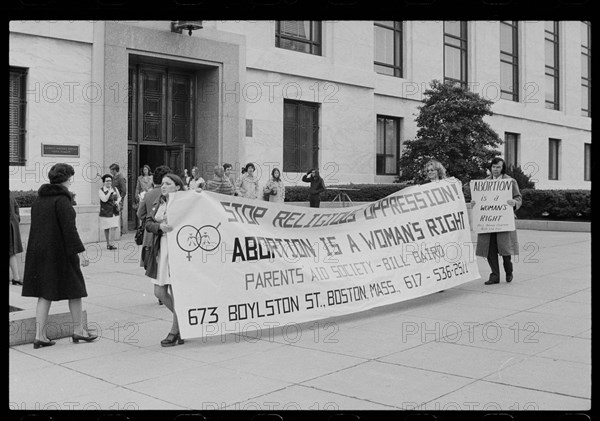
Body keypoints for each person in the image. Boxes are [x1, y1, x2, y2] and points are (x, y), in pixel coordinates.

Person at [21, 163, 98, 349]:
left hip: (40, 252)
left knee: (44, 293)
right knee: (76, 290)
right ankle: (79, 330)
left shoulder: (39, 200)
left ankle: (40, 336)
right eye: (70, 177)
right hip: (61, 253)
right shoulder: (63, 200)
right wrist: (81, 252)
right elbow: (69, 230)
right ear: (66, 179)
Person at [144, 173, 186, 346]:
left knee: (177, 292)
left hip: (179, 250)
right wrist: (159, 227)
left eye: (168, 184)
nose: (164, 186)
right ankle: (183, 322)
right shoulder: (158, 203)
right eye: (162, 184)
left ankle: (175, 330)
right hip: (161, 249)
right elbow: (148, 223)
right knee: (159, 291)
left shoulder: (186, 204)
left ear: (177, 187)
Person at [472, 157, 522, 285]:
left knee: (505, 249)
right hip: (488, 221)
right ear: (490, 168)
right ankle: (494, 275)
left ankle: (508, 270)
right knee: (490, 249)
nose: (495, 169)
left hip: (503, 220)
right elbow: (479, 199)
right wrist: (474, 203)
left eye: (498, 167)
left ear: (502, 168)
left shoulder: (510, 181)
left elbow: (518, 197)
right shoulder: (484, 182)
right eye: (493, 167)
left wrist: (514, 202)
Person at [137, 165, 171, 305]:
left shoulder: (148, 194)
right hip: (166, 235)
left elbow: (140, 214)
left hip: (151, 236)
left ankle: (160, 295)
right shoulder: (170, 194)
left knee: (154, 263)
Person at [98, 174, 121, 250]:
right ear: (104, 182)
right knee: (107, 227)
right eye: (107, 181)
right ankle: (108, 243)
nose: (109, 182)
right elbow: (104, 199)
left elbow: (119, 197)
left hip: (114, 211)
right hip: (106, 211)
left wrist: (117, 201)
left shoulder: (115, 188)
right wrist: (109, 192)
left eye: (110, 181)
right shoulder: (101, 190)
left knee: (114, 226)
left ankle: (112, 243)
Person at [10, 189, 24, 286]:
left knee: (11, 252)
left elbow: (15, 207)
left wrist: (16, 217)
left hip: (11, 224)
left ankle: (16, 278)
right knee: (11, 252)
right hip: (12, 224)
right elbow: (16, 207)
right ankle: (16, 278)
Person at [109, 163, 127, 235]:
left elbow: (124, 191)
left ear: (115, 170)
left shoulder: (120, 178)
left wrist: (120, 200)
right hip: (113, 199)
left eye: (111, 170)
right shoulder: (113, 177)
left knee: (118, 214)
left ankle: (120, 231)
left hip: (118, 199)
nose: (110, 172)